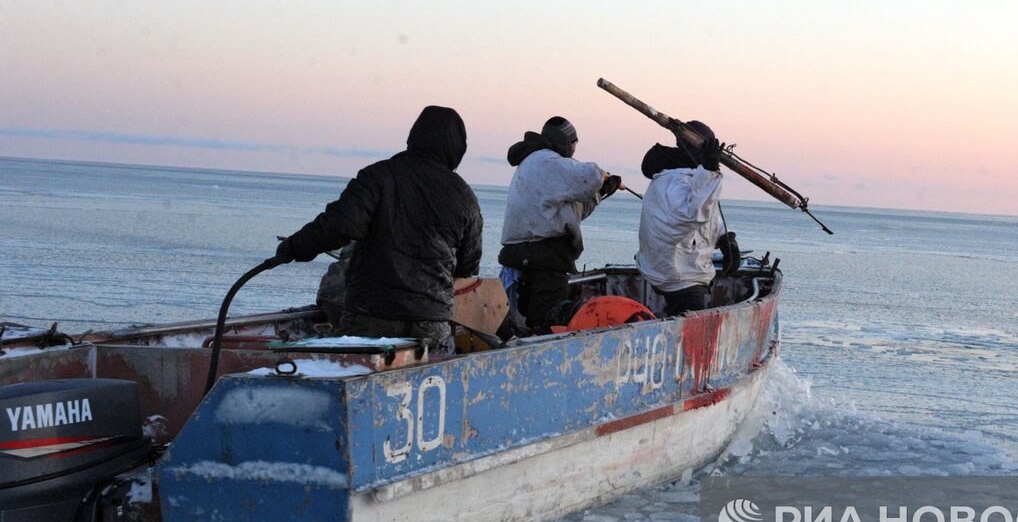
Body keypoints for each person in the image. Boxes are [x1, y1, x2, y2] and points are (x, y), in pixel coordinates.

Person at [276, 105, 482, 353]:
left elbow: (338, 225)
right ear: (458, 149)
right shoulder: (464, 196)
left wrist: (293, 247)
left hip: (371, 316)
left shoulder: (378, 176)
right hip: (432, 323)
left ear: (413, 138)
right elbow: (468, 266)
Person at [498, 117, 620, 332]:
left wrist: (602, 191)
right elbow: (589, 176)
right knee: (546, 323)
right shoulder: (548, 161)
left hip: (527, 255)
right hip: (544, 258)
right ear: (566, 141)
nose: (574, 148)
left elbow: (570, 212)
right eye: (574, 143)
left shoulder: (534, 163)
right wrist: (603, 177)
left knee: (533, 320)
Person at [636, 121, 740, 316]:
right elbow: (691, 215)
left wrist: (725, 239)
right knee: (690, 336)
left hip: (687, 272)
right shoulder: (671, 180)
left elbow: (708, 217)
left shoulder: (690, 178)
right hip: (678, 275)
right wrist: (709, 171)